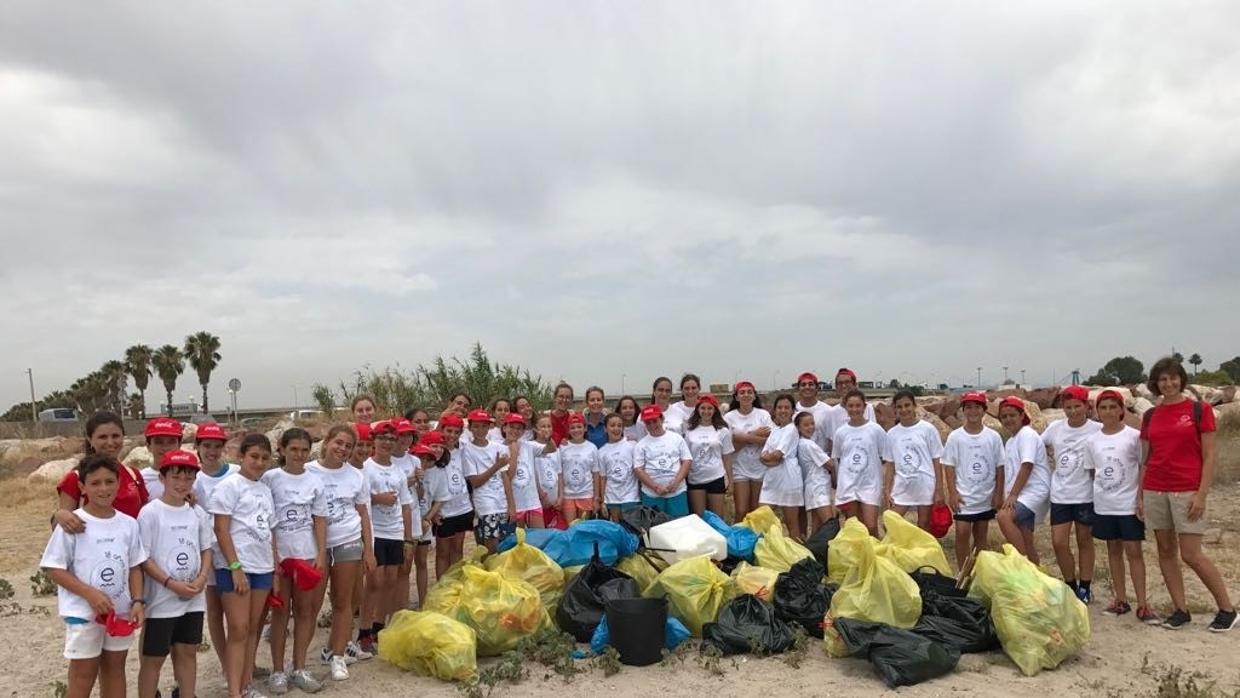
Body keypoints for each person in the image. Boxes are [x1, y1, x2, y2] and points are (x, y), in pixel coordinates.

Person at [1140, 357, 1236, 632]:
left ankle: (1227, 609)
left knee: (1192, 554)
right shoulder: (1151, 415)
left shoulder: (1198, 409)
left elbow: (1209, 455)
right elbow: (1146, 458)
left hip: (1187, 489)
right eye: (1162, 379)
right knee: (1165, 551)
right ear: (1156, 384)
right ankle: (1180, 609)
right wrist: (1140, 495)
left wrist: (1202, 494)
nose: (1168, 383)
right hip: (1155, 487)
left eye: (1173, 378)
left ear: (1181, 379)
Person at [42, 454, 148, 698]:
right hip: (83, 613)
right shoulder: (73, 524)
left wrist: (138, 601)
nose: (103, 488)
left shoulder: (128, 524)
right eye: (96, 483)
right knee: (83, 674)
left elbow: (134, 566)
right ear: (82, 487)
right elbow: (54, 568)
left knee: (115, 670)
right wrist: (89, 593)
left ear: (119, 483)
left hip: (119, 612)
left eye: (109, 481)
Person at [137, 450, 213, 698]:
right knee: (154, 658)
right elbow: (144, 558)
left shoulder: (196, 512)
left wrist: (201, 578)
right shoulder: (150, 513)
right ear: (162, 478)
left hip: (193, 598)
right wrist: (170, 583)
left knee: (188, 651)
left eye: (188, 478)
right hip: (161, 599)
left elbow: (206, 548)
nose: (182, 484)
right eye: (176, 477)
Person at [209, 433, 277, 698]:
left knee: (250, 628)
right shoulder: (230, 486)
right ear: (241, 456)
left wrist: (274, 567)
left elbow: (270, 531)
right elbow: (221, 528)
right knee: (237, 628)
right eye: (254, 457)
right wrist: (235, 567)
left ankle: (246, 684)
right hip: (235, 566)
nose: (259, 463)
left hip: (263, 567)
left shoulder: (264, 489)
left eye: (264, 458)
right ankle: (234, 690)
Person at [261, 428, 328, 694]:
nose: (299, 455)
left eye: (304, 450)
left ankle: (298, 666)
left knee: (304, 612)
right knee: (280, 613)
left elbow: (319, 519)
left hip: (306, 555)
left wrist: (321, 553)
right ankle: (277, 670)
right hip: (279, 557)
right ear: (282, 449)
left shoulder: (314, 481)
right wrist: (273, 558)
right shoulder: (270, 478)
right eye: (294, 449)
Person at [307, 425, 376, 680]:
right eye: (339, 443)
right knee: (310, 605)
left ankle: (337, 655)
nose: (343, 449)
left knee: (343, 601)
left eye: (348, 446)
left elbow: (363, 514)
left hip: (347, 540)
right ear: (327, 442)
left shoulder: (356, 476)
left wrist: (368, 550)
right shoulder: (309, 471)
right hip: (316, 545)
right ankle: (299, 661)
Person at [1084, 389, 1155, 623]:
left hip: (1128, 505)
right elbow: (1094, 471)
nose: (1108, 412)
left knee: (1133, 552)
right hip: (1105, 505)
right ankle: (1121, 599)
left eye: (1112, 407)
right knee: (1113, 550)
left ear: (1121, 410)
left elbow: (1143, 465)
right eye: (1103, 408)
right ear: (1097, 411)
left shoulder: (1133, 436)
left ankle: (1143, 603)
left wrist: (1140, 497)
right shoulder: (1093, 440)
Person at [359, 421, 416, 654]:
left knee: (391, 580)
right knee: (374, 582)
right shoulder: (365, 468)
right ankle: (363, 631)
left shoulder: (398, 471)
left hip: (395, 531)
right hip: (375, 531)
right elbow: (359, 503)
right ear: (375, 441)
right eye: (382, 438)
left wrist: (408, 539)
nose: (387, 443)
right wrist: (378, 499)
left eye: (391, 439)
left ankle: (378, 626)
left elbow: (406, 506)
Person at [1042, 385, 1102, 603]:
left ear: (1086, 406)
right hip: (1061, 494)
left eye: (1077, 406)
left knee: (1084, 540)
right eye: (1068, 407)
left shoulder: (1097, 429)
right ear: (1063, 408)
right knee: (1059, 542)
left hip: (1086, 494)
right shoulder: (1055, 428)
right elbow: (1038, 444)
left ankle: (1085, 587)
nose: (1073, 411)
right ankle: (1070, 585)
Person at [189, 422, 235, 675]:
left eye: (217, 446)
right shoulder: (191, 477)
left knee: (238, 613)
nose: (212, 451)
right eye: (207, 445)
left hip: (236, 550)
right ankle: (227, 664)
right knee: (216, 611)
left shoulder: (236, 472)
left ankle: (242, 662)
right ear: (197, 447)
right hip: (207, 552)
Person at [942, 391, 1005, 571]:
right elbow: (949, 465)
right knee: (962, 533)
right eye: (968, 407)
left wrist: (998, 494)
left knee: (981, 537)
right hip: (964, 496)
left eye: (977, 407)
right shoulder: (956, 437)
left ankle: (978, 571)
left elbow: (1000, 467)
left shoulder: (992, 437)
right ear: (963, 410)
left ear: (984, 410)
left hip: (985, 496)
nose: (973, 411)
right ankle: (963, 571)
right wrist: (952, 493)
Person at [56, 411, 148, 528]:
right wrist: (59, 515)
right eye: (102, 437)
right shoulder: (75, 478)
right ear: (90, 440)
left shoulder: (134, 475)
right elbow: (63, 523)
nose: (110, 443)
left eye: (115, 436)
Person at [996, 397, 1051, 563]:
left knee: (1004, 517)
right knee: (1026, 538)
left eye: (1012, 415)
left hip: (1033, 491)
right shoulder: (1012, 440)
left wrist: (1012, 495)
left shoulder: (1027, 435)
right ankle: (1035, 573)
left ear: (1022, 415)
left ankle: (1023, 563)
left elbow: (1027, 466)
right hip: (1021, 493)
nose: (1008, 419)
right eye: (1004, 417)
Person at [883, 390, 946, 533]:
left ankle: (924, 554)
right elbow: (890, 465)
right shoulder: (892, 434)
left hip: (925, 485)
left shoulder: (927, 429)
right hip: (902, 486)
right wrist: (887, 490)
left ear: (914, 406)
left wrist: (939, 489)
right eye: (899, 407)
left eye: (907, 405)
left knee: (924, 525)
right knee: (890, 523)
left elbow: (937, 460)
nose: (904, 410)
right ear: (895, 409)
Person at [831, 391, 888, 536]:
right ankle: (859, 557)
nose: (854, 409)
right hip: (849, 485)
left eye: (858, 406)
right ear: (845, 407)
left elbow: (885, 456)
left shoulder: (875, 430)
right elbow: (838, 458)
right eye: (850, 406)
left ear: (864, 407)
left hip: (870, 484)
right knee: (855, 528)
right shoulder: (841, 432)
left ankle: (876, 556)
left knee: (870, 526)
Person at [425, 415, 474, 574]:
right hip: (444, 512)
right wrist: (433, 510)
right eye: (448, 431)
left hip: (463, 508)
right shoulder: (435, 452)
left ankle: (454, 587)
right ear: (442, 430)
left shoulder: (463, 450)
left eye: (456, 432)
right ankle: (442, 588)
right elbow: (429, 485)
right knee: (442, 553)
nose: (452, 435)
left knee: (458, 550)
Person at [460, 410, 514, 552]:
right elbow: (475, 482)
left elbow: (505, 478)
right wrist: (496, 465)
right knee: (490, 547)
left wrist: (511, 506)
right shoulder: (467, 451)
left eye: (484, 426)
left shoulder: (499, 448)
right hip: (485, 505)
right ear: (470, 428)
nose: (480, 430)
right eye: (476, 426)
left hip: (502, 503)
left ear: (489, 427)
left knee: (506, 545)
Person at [723, 381, 772, 522]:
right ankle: (738, 539)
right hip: (739, 468)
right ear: (736, 397)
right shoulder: (729, 417)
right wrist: (754, 434)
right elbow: (730, 447)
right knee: (741, 510)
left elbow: (768, 440)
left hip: (759, 467)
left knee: (755, 510)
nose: (746, 395)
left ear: (754, 396)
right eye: (742, 392)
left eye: (749, 392)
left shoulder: (763, 415)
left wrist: (741, 437)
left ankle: (754, 540)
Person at [633, 404, 692, 517]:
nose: (652, 425)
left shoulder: (676, 438)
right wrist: (655, 486)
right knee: (656, 528)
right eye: (648, 423)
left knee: (679, 525)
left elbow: (687, 461)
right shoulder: (641, 445)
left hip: (677, 492)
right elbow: (638, 469)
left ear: (662, 419)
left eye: (655, 421)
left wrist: (676, 482)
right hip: (652, 494)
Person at [683, 394, 735, 519]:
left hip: (716, 477)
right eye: (703, 408)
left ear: (715, 410)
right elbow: (686, 457)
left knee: (716, 518)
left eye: (709, 408)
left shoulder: (723, 431)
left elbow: (727, 457)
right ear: (698, 410)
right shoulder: (690, 431)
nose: (706, 412)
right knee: (699, 518)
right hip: (695, 479)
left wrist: (731, 481)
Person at [758, 395, 804, 535]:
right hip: (771, 480)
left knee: (791, 523)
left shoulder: (791, 429)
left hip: (788, 480)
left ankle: (797, 553)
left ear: (792, 411)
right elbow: (762, 456)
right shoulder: (775, 430)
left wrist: (771, 457)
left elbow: (778, 454)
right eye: (779, 407)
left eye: (786, 407)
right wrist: (771, 458)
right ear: (774, 410)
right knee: (762, 518)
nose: (783, 411)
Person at [389, 418, 419, 615]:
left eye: (409, 434)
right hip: (390, 521)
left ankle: (402, 610)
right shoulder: (385, 459)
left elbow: (420, 493)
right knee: (390, 572)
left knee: (406, 568)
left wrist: (420, 482)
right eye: (401, 435)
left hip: (412, 516)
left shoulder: (415, 460)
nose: (405, 439)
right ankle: (387, 611)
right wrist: (406, 482)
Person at [501, 414, 549, 529]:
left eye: (519, 428)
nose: (515, 431)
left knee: (539, 540)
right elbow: (508, 477)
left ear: (523, 431)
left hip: (533, 503)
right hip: (515, 505)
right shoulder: (498, 448)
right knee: (518, 543)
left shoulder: (529, 445)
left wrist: (547, 438)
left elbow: (550, 449)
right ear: (504, 428)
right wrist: (514, 454)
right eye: (511, 427)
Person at [408, 441, 438, 605]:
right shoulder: (405, 472)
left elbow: (438, 499)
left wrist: (428, 518)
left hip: (424, 523)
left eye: (428, 460)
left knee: (422, 562)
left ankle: (423, 601)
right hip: (408, 523)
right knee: (404, 566)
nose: (424, 463)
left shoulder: (432, 475)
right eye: (420, 458)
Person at [795, 412, 834, 536]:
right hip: (818, 487)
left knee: (817, 528)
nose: (810, 427)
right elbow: (829, 464)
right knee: (830, 524)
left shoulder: (801, 444)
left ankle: (813, 552)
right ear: (798, 428)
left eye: (812, 424)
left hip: (812, 487)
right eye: (806, 425)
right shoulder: (809, 445)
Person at [559, 412, 601, 522]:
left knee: (583, 528)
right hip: (568, 495)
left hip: (586, 493)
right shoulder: (562, 447)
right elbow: (560, 473)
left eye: (579, 426)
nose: (576, 430)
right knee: (571, 527)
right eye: (572, 427)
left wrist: (596, 498)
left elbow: (596, 474)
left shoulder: (592, 448)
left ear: (585, 428)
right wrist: (560, 495)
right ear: (568, 430)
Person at [599, 413, 641, 521]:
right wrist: (603, 501)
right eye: (612, 425)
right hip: (612, 498)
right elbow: (603, 478)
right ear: (605, 428)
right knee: (617, 530)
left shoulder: (632, 446)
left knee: (632, 530)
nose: (616, 428)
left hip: (631, 497)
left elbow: (639, 470)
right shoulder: (601, 451)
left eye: (619, 425)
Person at [530, 414, 565, 529]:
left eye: (549, 426)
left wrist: (560, 497)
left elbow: (559, 474)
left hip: (555, 500)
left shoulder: (555, 448)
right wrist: (542, 496)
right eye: (543, 427)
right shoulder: (530, 446)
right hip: (539, 500)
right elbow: (532, 474)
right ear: (535, 429)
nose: (546, 429)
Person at [139, 417, 185, 501]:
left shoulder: (191, 478)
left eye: (171, 442)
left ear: (179, 445)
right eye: (159, 442)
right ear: (148, 445)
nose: (165, 447)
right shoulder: (140, 479)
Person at [793, 372, 834, 451]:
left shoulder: (828, 411)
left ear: (817, 388)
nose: (807, 387)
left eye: (811, 384)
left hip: (822, 460)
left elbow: (831, 439)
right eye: (803, 385)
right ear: (798, 389)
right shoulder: (792, 411)